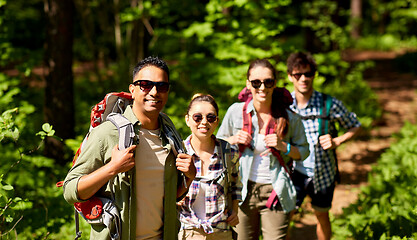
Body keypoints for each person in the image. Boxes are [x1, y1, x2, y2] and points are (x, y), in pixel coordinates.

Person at [63, 56, 196, 240]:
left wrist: (189, 177)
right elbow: (70, 191)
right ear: (132, 90)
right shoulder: (108, 133)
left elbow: (169, 196)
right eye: (145, 85)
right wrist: (112, 168)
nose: (154, 92)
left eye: (161, 86)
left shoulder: (169, 133)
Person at [217, 59, 310, 240]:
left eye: (268, 82)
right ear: (248, 84)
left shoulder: (289, 118)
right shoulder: (236, 112)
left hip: (275, 191)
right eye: (256, 82)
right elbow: (216, 145)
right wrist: (234, 139)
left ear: (274, 84)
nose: (262, 87)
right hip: (241, 191)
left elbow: (304, 152)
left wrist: (283, 146)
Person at [286, 52, 361, 240]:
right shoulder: (285, 105)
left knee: (321, 215)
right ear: (290, 76)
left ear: (314, 75)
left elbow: (355, 125)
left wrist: (337, 141)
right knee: (285, 217)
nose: (303, 79)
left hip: (324, 172)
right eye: (298, 75)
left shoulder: (328, 104)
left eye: (308, 74)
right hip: (294, 172)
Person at [177, 94, 242, 240]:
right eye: (197, 117)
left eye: (210, 117)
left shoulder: (229, 152)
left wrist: (235, 211)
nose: (204, 122)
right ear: (187, 120)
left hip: (221, 232)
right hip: (188, 232)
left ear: (217, 121)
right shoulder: (178, 153)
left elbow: (235, 185)